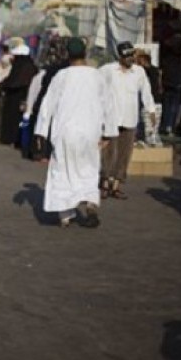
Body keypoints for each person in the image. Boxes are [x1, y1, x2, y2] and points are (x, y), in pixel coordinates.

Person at [35, 37, 117, 228]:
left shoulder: (61, 77)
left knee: (63, 170)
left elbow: (47, 106)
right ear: (85, 53)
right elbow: (109, 105)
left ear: (67, 55)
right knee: (89, 169)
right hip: (91, 132)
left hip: (65, 132)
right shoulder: (97, 76)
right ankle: (90, 204)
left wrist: (41, 134)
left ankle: (65, 215)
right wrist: (108, 133)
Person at [99, 42, 156, 199]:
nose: (130, 59)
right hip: (111, 118)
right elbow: (96, 86)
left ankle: (117, 185)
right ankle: (105, 182)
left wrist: (151, 110)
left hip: (130, 118)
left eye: (132, 55)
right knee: (108, 152)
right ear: (120, 57)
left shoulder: (139, 72)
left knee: (125, 154)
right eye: (127, 56)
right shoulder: (107, 70)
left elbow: (146, 91)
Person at [0, 44, 37, 147]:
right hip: (19, 98)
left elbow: (17, 82)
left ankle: (13, 139)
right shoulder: (27, 66)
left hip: (19, 98)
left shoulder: (23, 67)